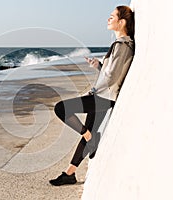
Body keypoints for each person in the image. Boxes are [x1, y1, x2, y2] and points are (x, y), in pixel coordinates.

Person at [49, 5, 135, 186]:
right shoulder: (122, 45)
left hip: (103, 97)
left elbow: (111, 77)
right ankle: (70, 174)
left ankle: (90, 138)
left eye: (112, 17)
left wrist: (93, 90)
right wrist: (98, 66)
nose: (108, 19)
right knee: (88, 131)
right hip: (105, 97)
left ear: (122, 22)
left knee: (61, 108)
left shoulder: (122, 46)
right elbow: (110, 73)